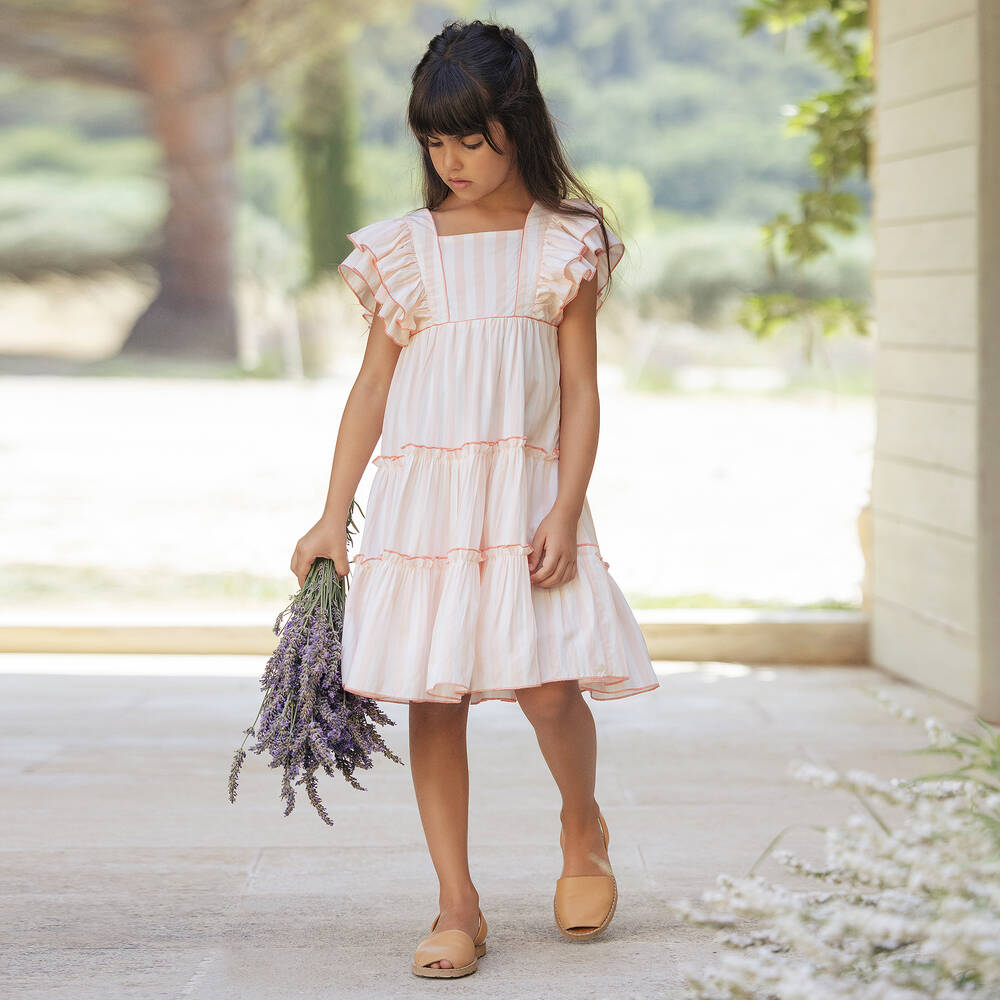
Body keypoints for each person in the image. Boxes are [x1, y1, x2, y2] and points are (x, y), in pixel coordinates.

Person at [290, 17, 660, 980]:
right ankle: (458, 906)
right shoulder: (404, 251)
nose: (451, 160)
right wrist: (332, 513)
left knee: (549, 689)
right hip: (425, 500)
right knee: (433, 697)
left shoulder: (564, 245)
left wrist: (566, 510)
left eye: (471, 138)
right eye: (434, 141)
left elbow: (581, 390)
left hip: (530, 491)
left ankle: (583, 829)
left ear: (518, 123)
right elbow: (371, 389)